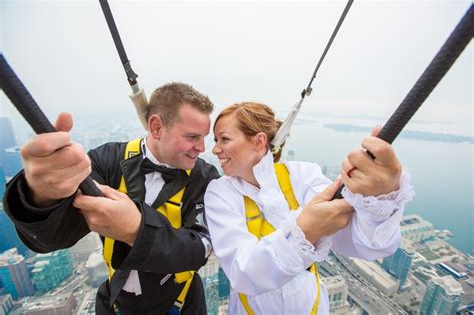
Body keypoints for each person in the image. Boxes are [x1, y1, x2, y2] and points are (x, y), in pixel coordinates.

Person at [3, 82, 220, 314]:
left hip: (182, 305)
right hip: (116, 303)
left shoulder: (204, 178)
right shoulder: (108, 161)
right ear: (156, 127)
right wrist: (43, 196)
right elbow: (55, 235)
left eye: (204, 137)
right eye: (192, 137)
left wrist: (137, 230)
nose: (202, 147)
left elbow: (199, 249)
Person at [204, 102, 415, 314]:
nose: (215, 148)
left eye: (224, 139)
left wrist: (379, 199)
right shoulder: (220, 193)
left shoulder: (303, 176)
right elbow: (243, 273)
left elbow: (362, 243)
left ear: (259, 142)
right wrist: (305, 231)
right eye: (216, 140)